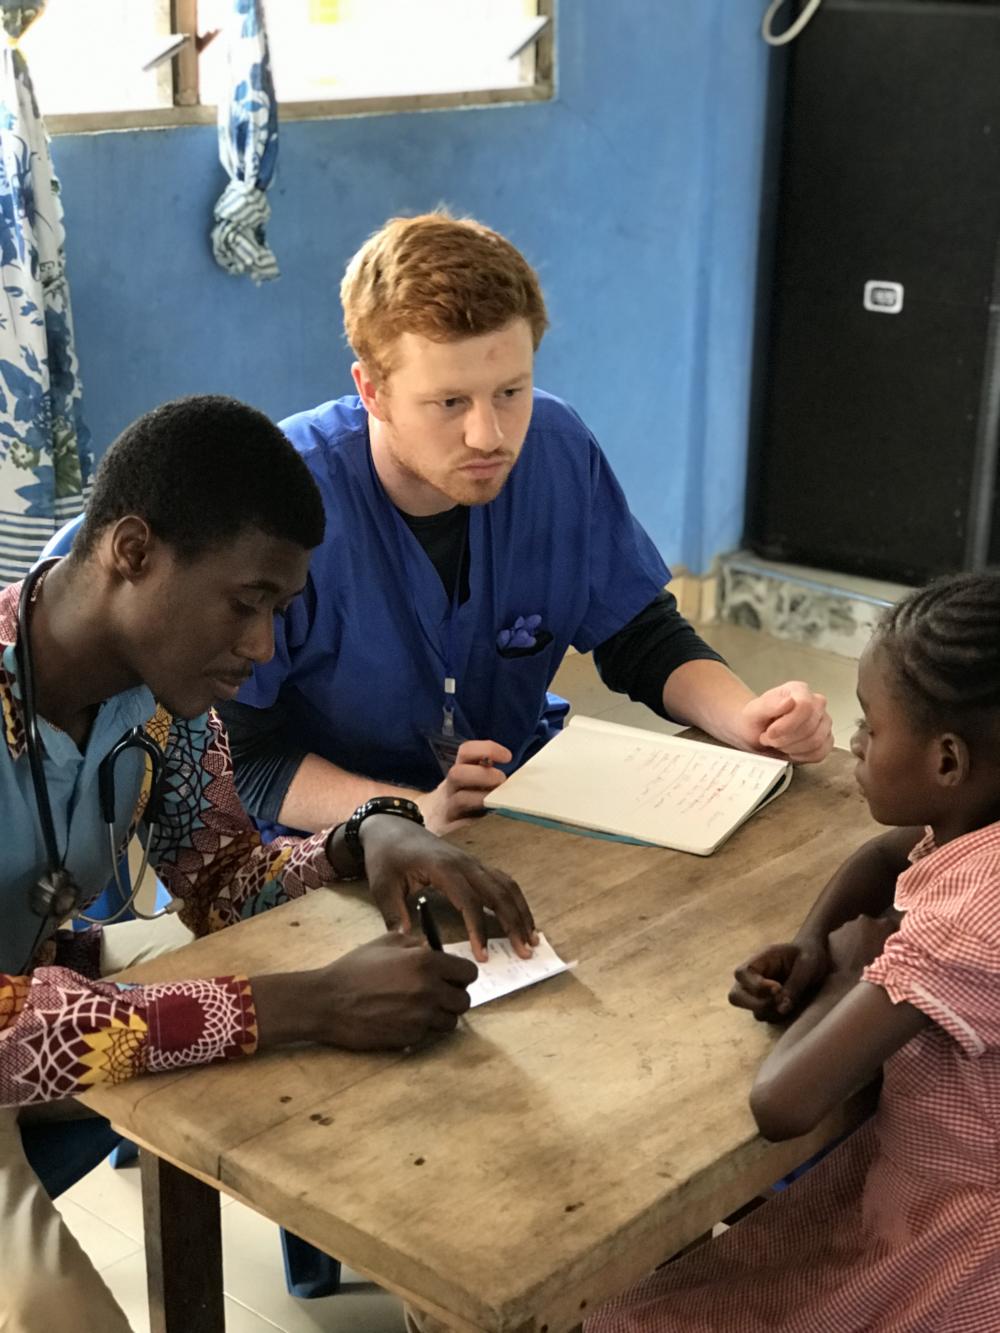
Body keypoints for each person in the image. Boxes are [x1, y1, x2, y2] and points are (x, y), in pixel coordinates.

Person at [0, 395, 538, 1333]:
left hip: (46, 980)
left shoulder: (162, 700)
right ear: (133, 553)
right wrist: (309, 1002)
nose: (260, 647)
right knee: (58, 1316)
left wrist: (366, 834)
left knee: (371, 1011)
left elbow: (223, 885)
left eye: (279, 611)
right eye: (246, 604)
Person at [223, 211, 834, 840]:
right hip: (324, 840)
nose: (488, 436)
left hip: (513, 798)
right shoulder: (283, 497)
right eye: (450, 402)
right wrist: (411, 813)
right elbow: (243, 758)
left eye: (511, 392)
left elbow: (640, 636)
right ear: (371, 390)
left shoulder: (558, 448)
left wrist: (749, 717)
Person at [583, 571, 1000, 1333]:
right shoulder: (981, 826)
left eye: (872, 725)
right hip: (924, 1183)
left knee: (631, 1317)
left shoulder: (969, 923)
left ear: (947, 761)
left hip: (947, 1247)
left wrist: (847, 970)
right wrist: (813, 939)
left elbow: (782, 1103)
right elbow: (882, 858)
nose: (855, 739)